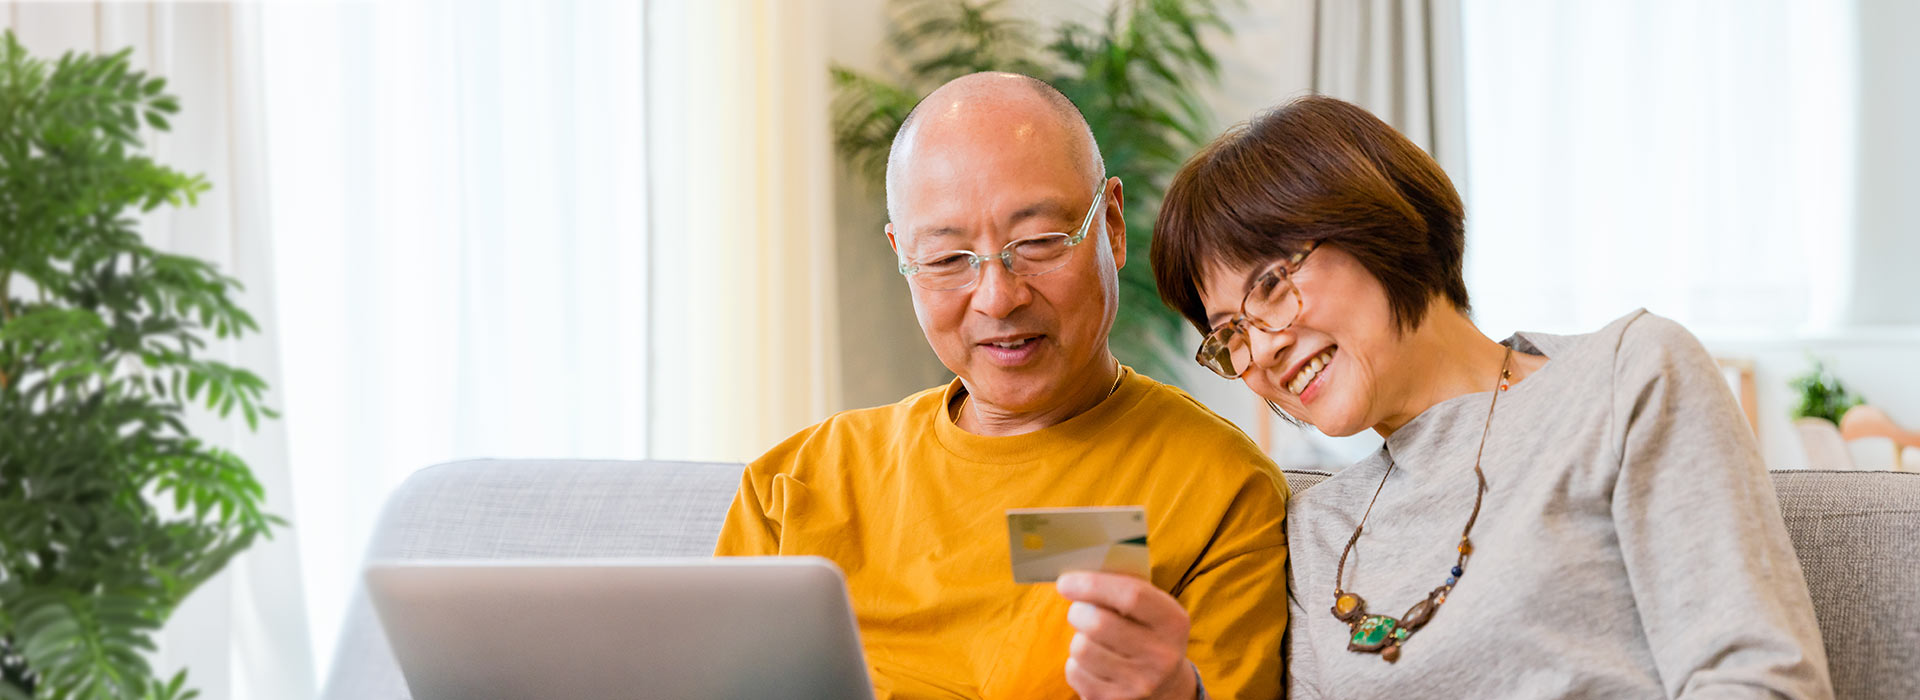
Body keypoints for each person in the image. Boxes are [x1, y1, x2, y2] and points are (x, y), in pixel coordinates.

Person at [1145, 95, 1834, 698]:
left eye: (1269, 284)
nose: (1260, 350)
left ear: (1377, 223)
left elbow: (1756, 679)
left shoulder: (1627, 376)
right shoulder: (1316, 528)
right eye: (1229, 334)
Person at [714, 72, 1289, 700]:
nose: (998, 297)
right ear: (901, 256)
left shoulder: (1218, 488)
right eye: (946, 260)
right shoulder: (797, 483)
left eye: (1039, 242)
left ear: (1114, 225)